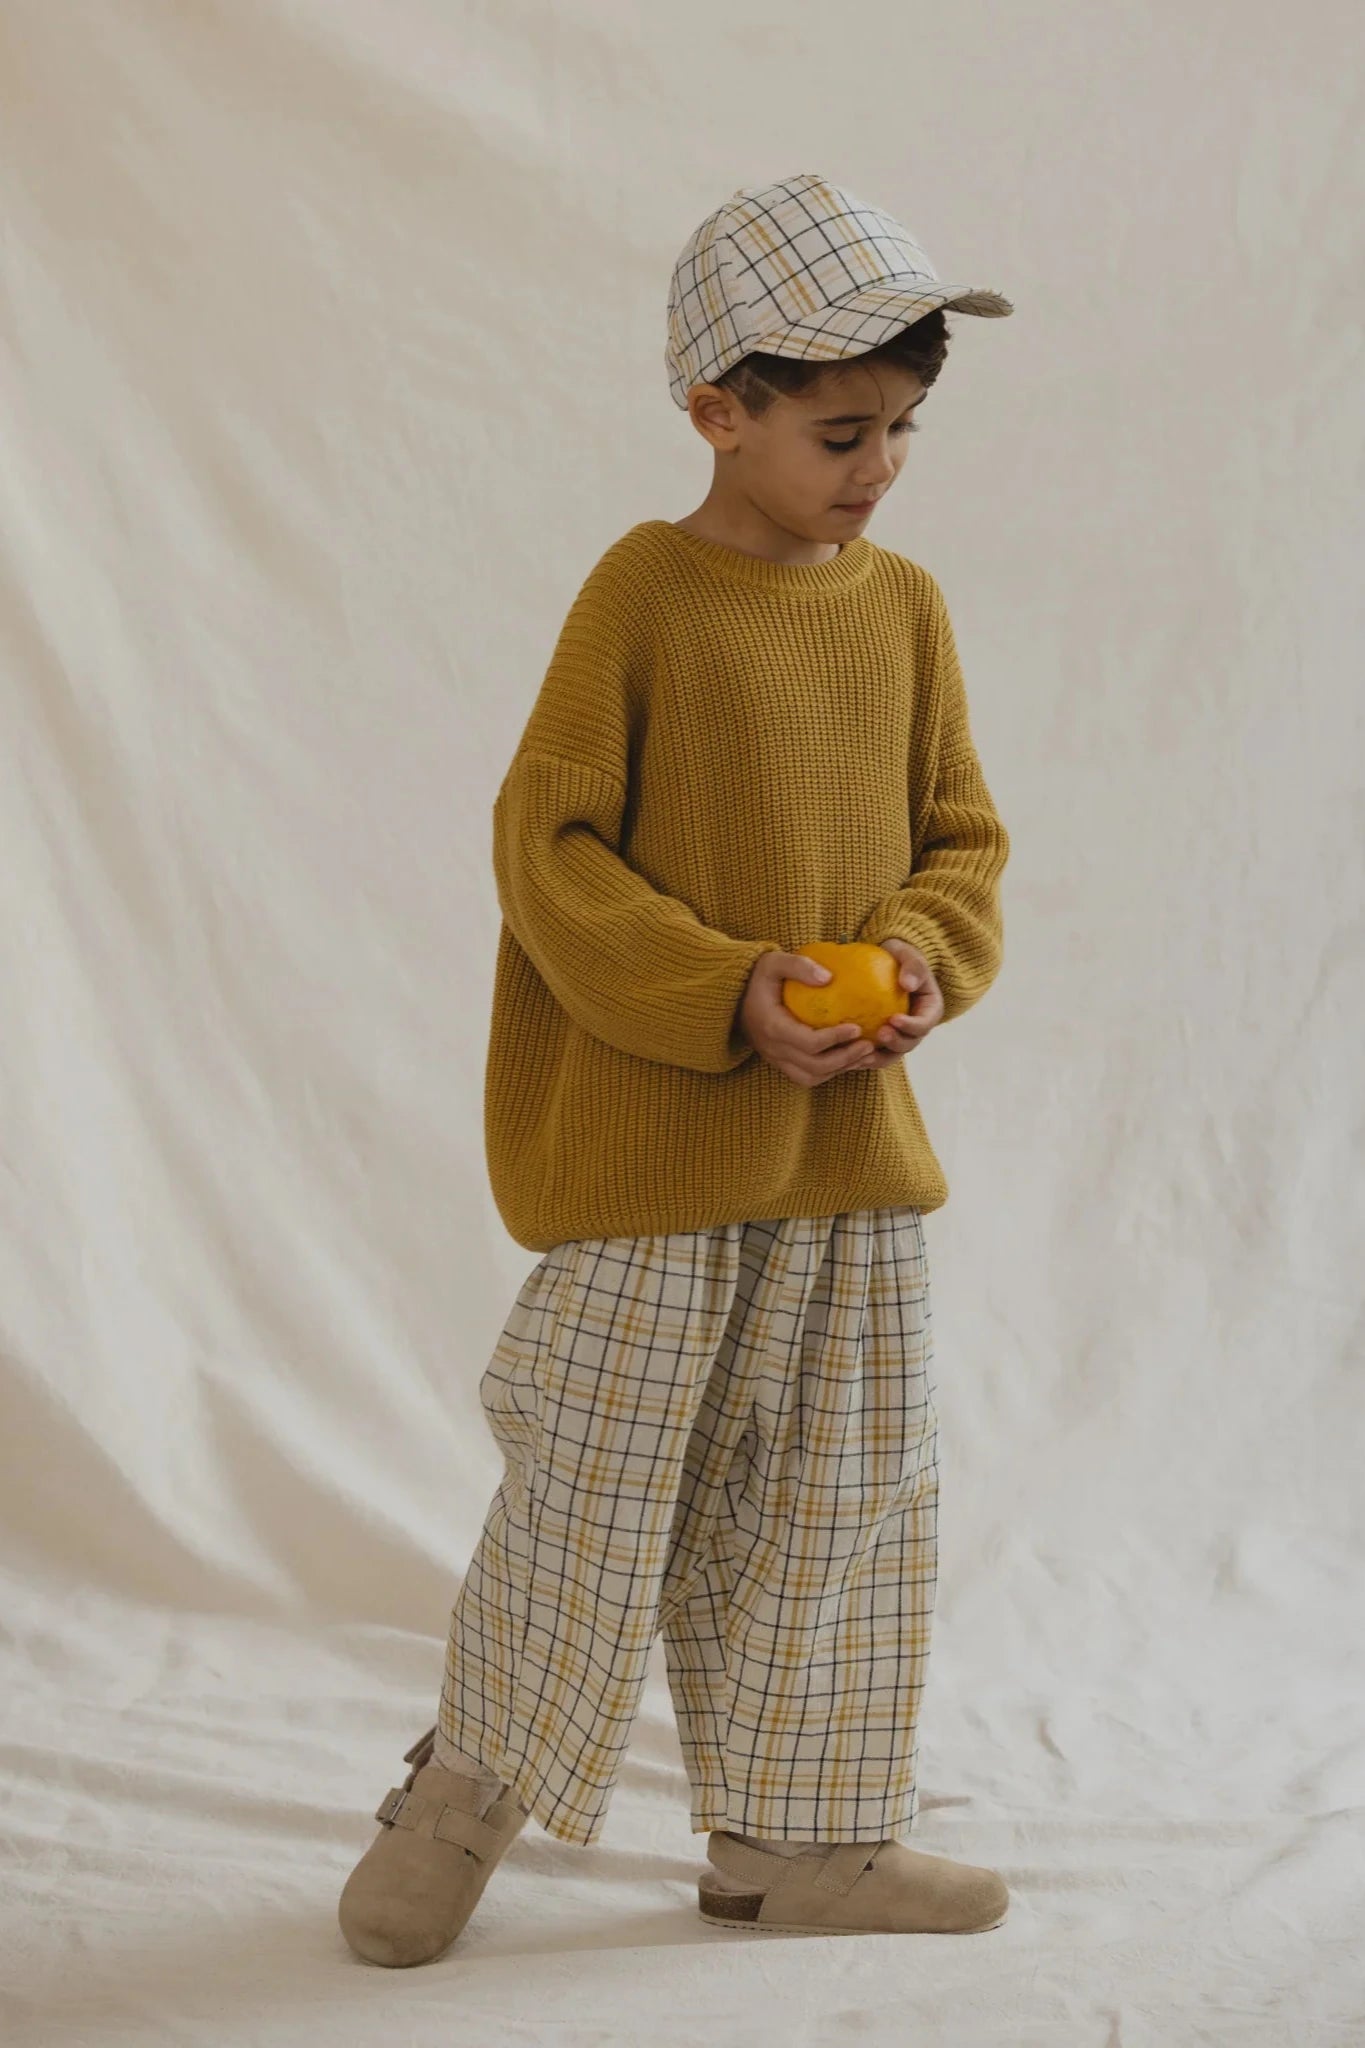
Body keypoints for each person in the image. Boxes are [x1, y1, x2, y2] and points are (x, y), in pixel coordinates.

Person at [338, 170, 1014, 1964]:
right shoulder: (641, 593)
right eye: (842, 430)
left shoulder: (907, 607)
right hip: (659, 1153)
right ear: (719, 410)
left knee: (840, 1496)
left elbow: (961, 840)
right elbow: (547, 848)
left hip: (852, 1155)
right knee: (593, 1484)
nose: (877, 468)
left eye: (904, 431)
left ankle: (799, 1841)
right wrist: (732, 995)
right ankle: (463, 1797)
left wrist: (923, 967)